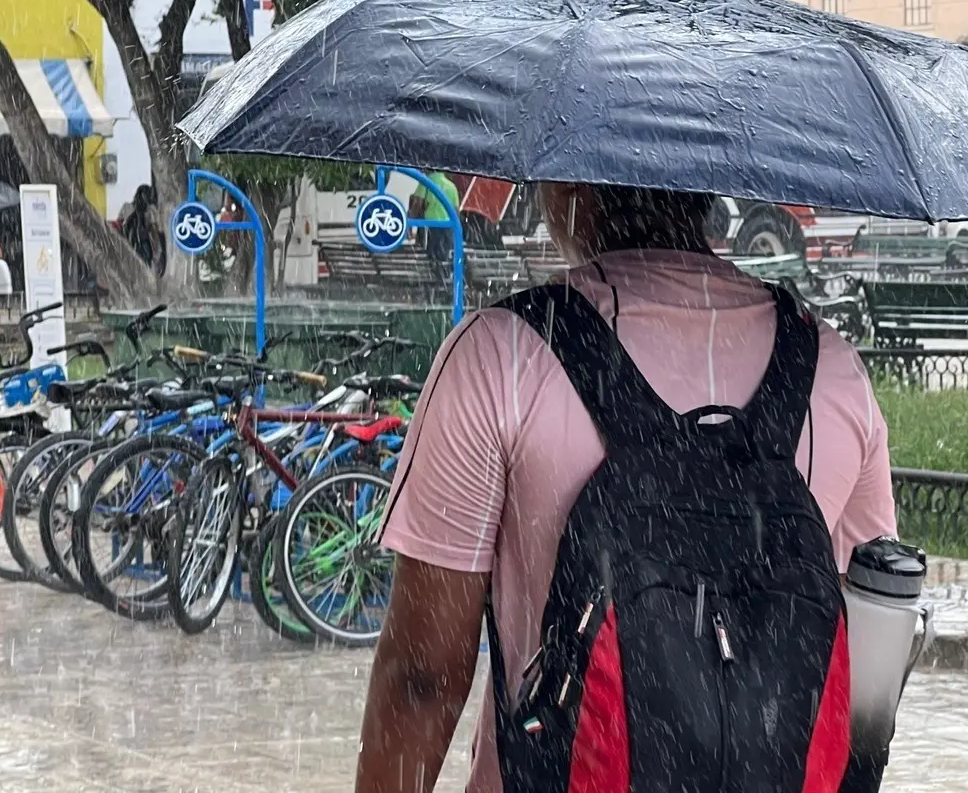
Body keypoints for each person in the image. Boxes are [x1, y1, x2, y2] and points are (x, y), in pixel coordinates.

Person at [358, 182, 897, 793]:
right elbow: (871, 669)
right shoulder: (832, 370)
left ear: (570, 185)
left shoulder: (498, 358)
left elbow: (421, 680)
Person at [408, 171, 461, 265]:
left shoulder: (426, 182)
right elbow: (456, 211)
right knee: (445, 256)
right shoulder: (452, 186)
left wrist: (409, 223)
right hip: (448, 226)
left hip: (431, 225)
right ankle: (443, 274)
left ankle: (434, 272)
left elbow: (417, 204)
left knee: (431, 256)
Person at [119, 183, 167, 276]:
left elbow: (157, 232)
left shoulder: (149, 213)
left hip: (141, 246)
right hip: (136, 244)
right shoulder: (131, 210)